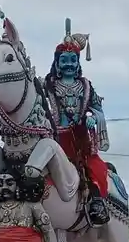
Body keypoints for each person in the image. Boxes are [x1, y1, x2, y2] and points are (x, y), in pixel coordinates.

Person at [43, 20, 110, 226]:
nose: (69, 64)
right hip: (54, 136)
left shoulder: (86, 86)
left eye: (73, 60)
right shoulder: (48, 85)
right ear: (57, 63)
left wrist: (93, 118)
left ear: (78, 63)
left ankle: (96, 201)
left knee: (94, 167)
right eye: (64, 60)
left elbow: (98, 109)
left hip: (80, 137)